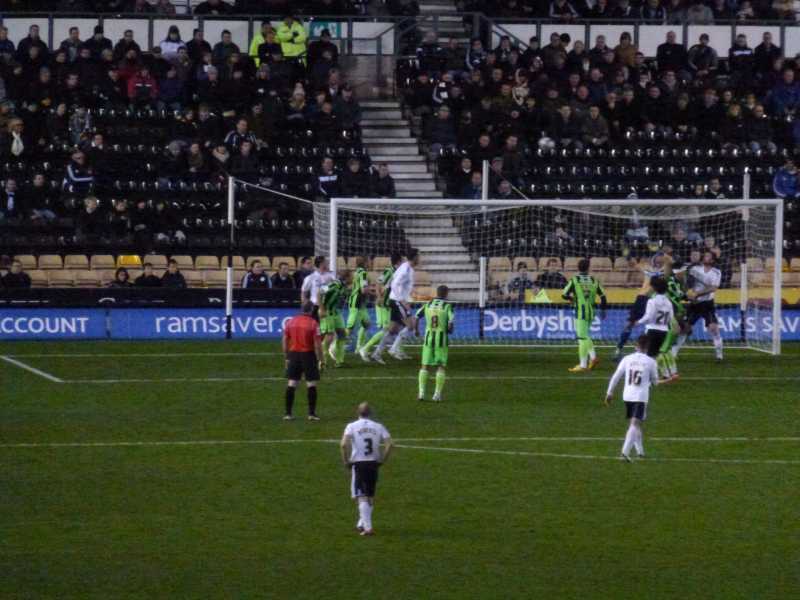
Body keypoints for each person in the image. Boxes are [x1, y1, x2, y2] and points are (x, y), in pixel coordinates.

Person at [340, 402, 393, 536]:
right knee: (369, 495)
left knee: (361, 496)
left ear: (358, 412)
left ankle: (368, 528)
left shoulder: (351, 426)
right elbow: (390, 444)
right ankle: (361, 523)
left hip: (359, 464)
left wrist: (346, 461)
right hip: (373, 464)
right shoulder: (378, 426)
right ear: (370, 413)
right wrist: (382, 460)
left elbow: (343, 445)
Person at [604, 334, 659, 462]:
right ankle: (624, 452)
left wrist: (609, 392)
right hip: (640, 396)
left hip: (627, 395)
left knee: (635, 423)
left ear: (636, 345)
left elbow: (616, 376)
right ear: (648, 347)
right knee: (635, 423)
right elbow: (655, 382)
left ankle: (640, 452)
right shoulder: (651, 362)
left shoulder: (627, 359)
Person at [614, 253, 666, 361]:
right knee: (629, 324)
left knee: (651, 327)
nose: (659, 260)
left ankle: (644, 350)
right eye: (658, 258)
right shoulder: (647, 268)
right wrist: (628, 255)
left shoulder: (665, 271)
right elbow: (633, 264)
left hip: (654, 301)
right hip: (641, 299)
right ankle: (618, 349)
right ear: (654, 259)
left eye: (662, 258)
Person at [674, 251, 723, 361]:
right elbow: (683, 278)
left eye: (708, 256)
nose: (705, 257)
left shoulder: (716, 272)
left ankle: (719, 354)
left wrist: (697, 294)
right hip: (694, 304)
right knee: (685, 328)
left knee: (713, 328)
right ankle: (674, 352)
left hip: (707, 304)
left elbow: (713, 288)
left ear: (712, 260)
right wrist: (687, 292)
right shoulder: (694, 269)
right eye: (705, 255)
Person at [372, 249, 419, 363]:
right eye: (418, 256)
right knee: (411, 325)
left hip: (396, 300)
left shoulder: (407, 267)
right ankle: (394, 349)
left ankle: (377, 353)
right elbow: (394, 284)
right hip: (398, 301)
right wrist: (403, 301)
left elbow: (398, 283)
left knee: (393, 329)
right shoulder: (406, 269)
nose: (420, 259)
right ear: (414, 258)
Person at [562, 258, 607, 372]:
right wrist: (603, 310)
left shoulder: (575, 280)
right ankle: (593, 357)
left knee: (582, 338)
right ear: (588, 268)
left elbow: (564, 294)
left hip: (580, 312)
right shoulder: (593, 280)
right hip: (591, 312)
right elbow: (603, 297)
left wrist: (571, 298)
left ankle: (583, 365)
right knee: (586, 335)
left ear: (578, 268)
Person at [282, 302, 323, 421]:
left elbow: (284, 340)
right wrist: (321, 359)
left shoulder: (291, 321)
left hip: (294, 354)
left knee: (292, 384)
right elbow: (318, 345)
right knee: (311, 384)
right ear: (311, 311)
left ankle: (288, 414)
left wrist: (286, 357)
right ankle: (311, 414)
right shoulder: (313, 323)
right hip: (308, 355)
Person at [359, 252, 402, 362]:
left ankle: (393, 349)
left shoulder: (396, 272)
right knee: (387, 329)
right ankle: (365, 348)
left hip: (390, 303)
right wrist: (379, 297)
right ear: (399, 261)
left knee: (394, 327)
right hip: (384, 304)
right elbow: (378, 283)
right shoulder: (389, 271)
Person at [415, 285, 455, 402]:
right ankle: (436, 395)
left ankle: (421, 393)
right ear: (446, 294)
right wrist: (450, 329)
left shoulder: (428, 304)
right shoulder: (447, 306)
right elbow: (451, 322)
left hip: (428, 338)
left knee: (424, 365)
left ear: (437, 293)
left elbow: (417, 316)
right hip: (441, 339)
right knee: (441, 366)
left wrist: (417, 330)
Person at [635, 277, 675, 382]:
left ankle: (648, 376)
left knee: (648, 355)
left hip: (652, 329)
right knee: (656, 354)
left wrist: (638, 322)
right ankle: (666, 374)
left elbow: (649, 316)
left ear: (654, 288)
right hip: (664, 331)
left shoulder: (652, 301)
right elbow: (671, 317)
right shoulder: (668, 302)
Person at [319, 270, 351, 368]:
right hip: (328, 312)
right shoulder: (333, 285)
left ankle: (339, 361)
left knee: (342, 335)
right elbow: (319, 292)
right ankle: (322, 361)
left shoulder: (343, 287)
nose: (352, 279)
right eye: (351, 277)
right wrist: (321, 309)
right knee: (329, 336)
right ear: (346, 278)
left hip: (336, 312)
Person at [346, 257, 372, 355]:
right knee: (350, 328)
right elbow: (363, 290)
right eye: (369, 260)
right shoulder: (363, 273)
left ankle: (359, 348)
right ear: (365, 262)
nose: (370, 262)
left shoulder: (358, 271)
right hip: (356, 303)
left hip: (360, 304)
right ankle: (334, 347)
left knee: (367, 324)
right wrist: (372, 292)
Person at [300, 256, 334, 322]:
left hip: (327, 306)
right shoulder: (310, 277)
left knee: (327, 329)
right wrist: (304, 304)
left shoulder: (331, 276)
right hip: (315, 306)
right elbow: (303, 292)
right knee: (314, 327)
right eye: (326, 262)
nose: (327, 263)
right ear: (321, 264)